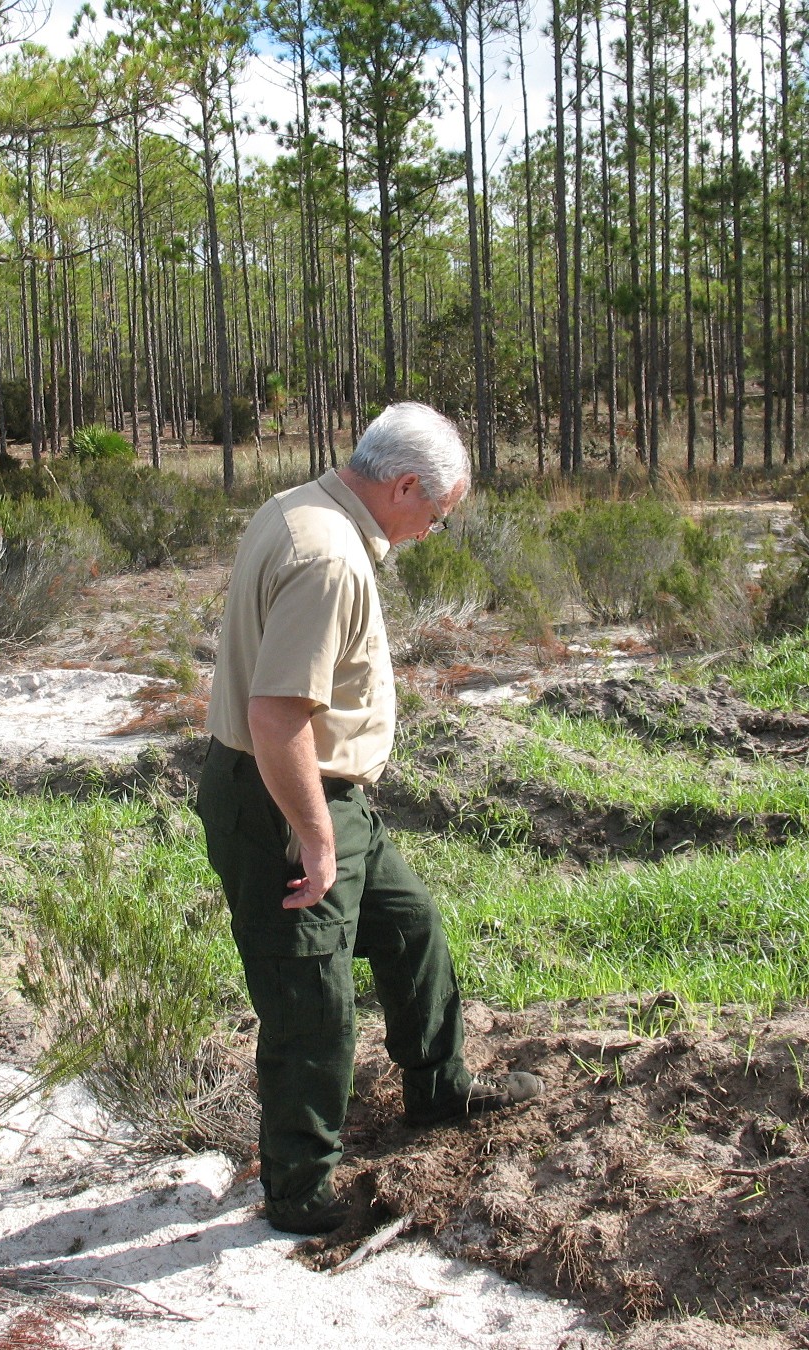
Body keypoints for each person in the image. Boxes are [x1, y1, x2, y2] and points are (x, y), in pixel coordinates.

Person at [196, 401, 544, 1237]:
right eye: (440, 513)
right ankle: (301, 1191)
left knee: (409, 926)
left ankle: (437, 1090)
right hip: (283, 796)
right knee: (311, 1000)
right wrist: (314, 839)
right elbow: (277, 718)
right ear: (405, 485)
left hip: (322, 792)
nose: (434, 529)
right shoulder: (328, 558)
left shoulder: (297, 508)